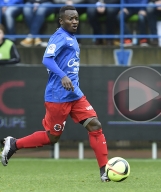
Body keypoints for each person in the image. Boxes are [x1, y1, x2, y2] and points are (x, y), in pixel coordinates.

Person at [1, 5, 110, 182]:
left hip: (75, 94)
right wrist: (63, 75)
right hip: (58, 96)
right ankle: (14, 144)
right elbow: (46, 59)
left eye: (76, 18)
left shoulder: (71, 37)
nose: (74, 21)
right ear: (61, 21)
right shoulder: (60, 37)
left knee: (95, 126)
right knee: (52, 137)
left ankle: (105, 171)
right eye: (70, 19)